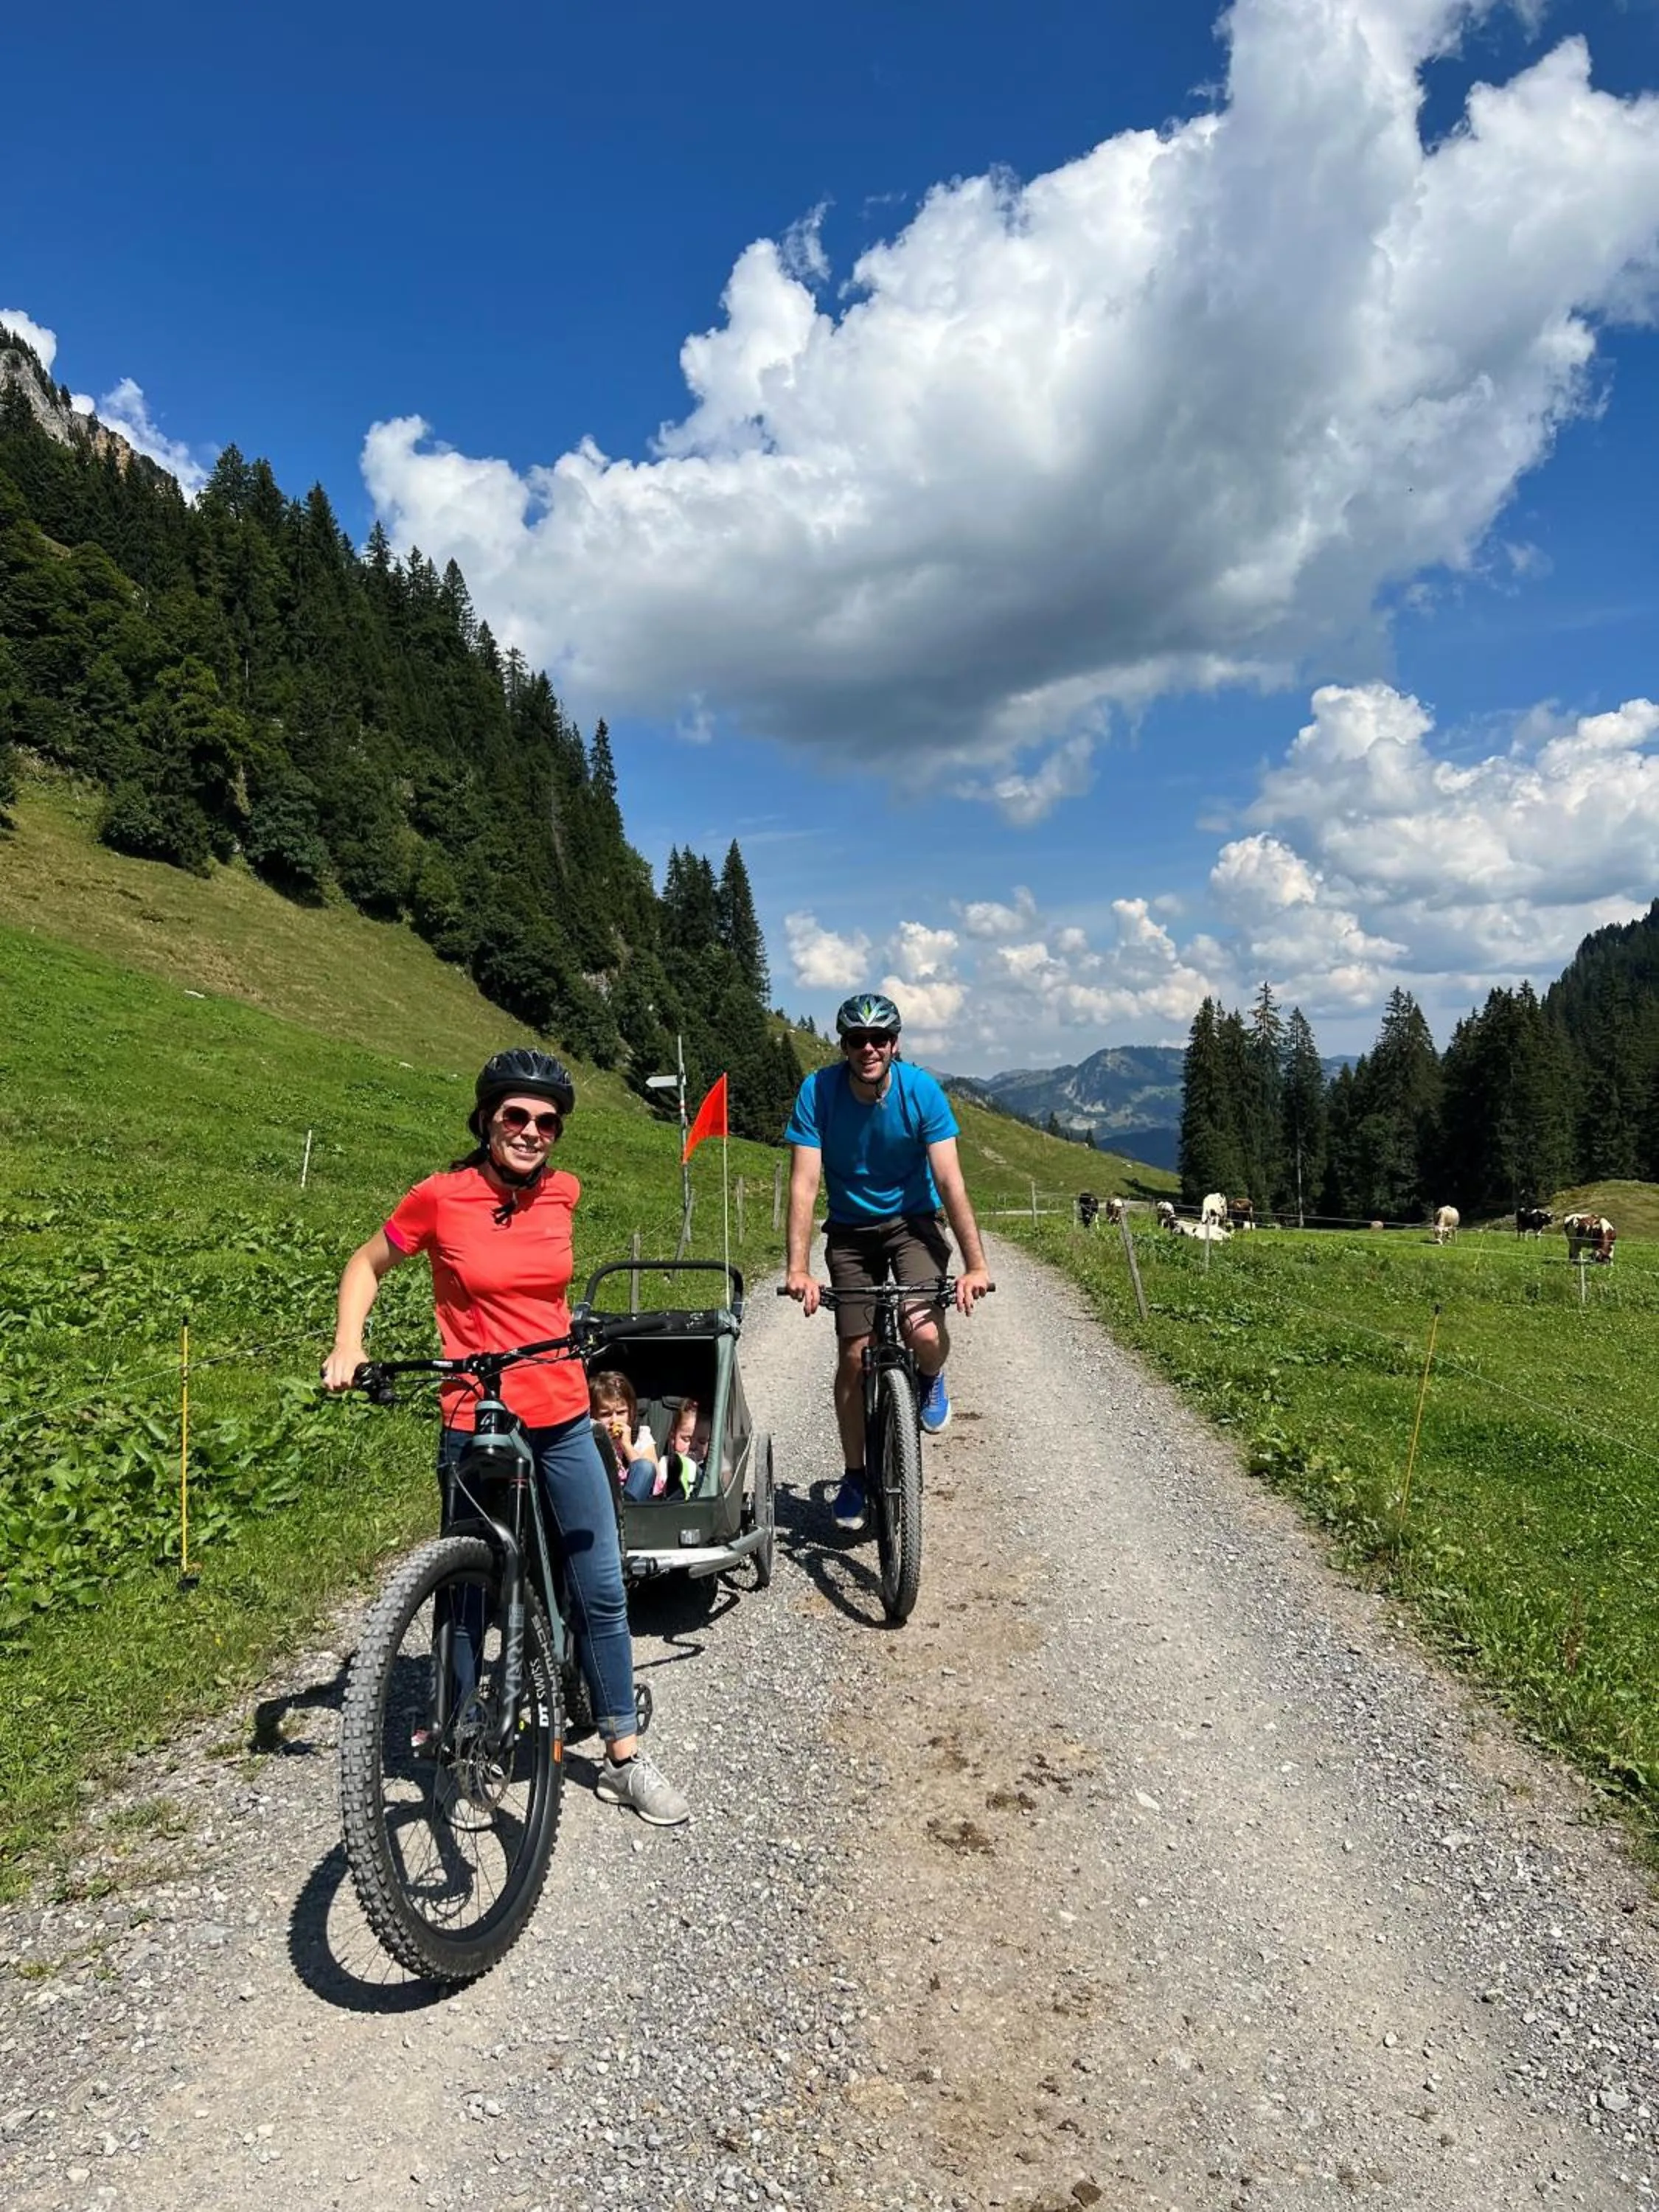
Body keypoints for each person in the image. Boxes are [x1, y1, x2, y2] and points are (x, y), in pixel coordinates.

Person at [321, 1047, 690, 1827]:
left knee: (599, 1584)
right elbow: (366, 1263)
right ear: (487, 1119)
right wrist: (348, 1343)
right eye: (515, 1116)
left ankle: (623, 1754)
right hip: (476, 1416)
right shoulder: (440, 1196)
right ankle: (463, 1753)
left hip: (561, 1414)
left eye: (546, 1122)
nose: (530, 1131)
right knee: (464, 1595)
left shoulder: (563, 1192)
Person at [782, 991, 992, 1533]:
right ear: (844, 1046)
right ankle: (855, 1475)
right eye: (858, 1039)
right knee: (854, 1354)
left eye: (879, 1039)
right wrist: (798, 1267)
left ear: (895, 1044)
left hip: (914, 1222)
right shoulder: (818, 1092)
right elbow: (804, 1184)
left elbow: (949, 1180)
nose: (869, 1048)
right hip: (851, 1232)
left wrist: (975, 1264)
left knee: (922, 1329)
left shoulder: (921, 1091)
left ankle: (931, 1375)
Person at [591, 1369, 661, 1500]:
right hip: (603, 1498)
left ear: (631, 1412)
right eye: (606, 1414)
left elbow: (655, 1482)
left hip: (635, 1503)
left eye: (621, 1413)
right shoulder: (590, 1439)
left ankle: (627, 1505)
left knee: (645, 1467)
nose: (614, 1420)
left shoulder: (641, 1437)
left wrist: (627, 1446)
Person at [662, 1396, 710, 1499]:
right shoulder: (664, 1466)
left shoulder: (710, 1470)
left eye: (702, 1442)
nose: (693, 1446)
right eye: (686, 1439)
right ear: (673, 1438)